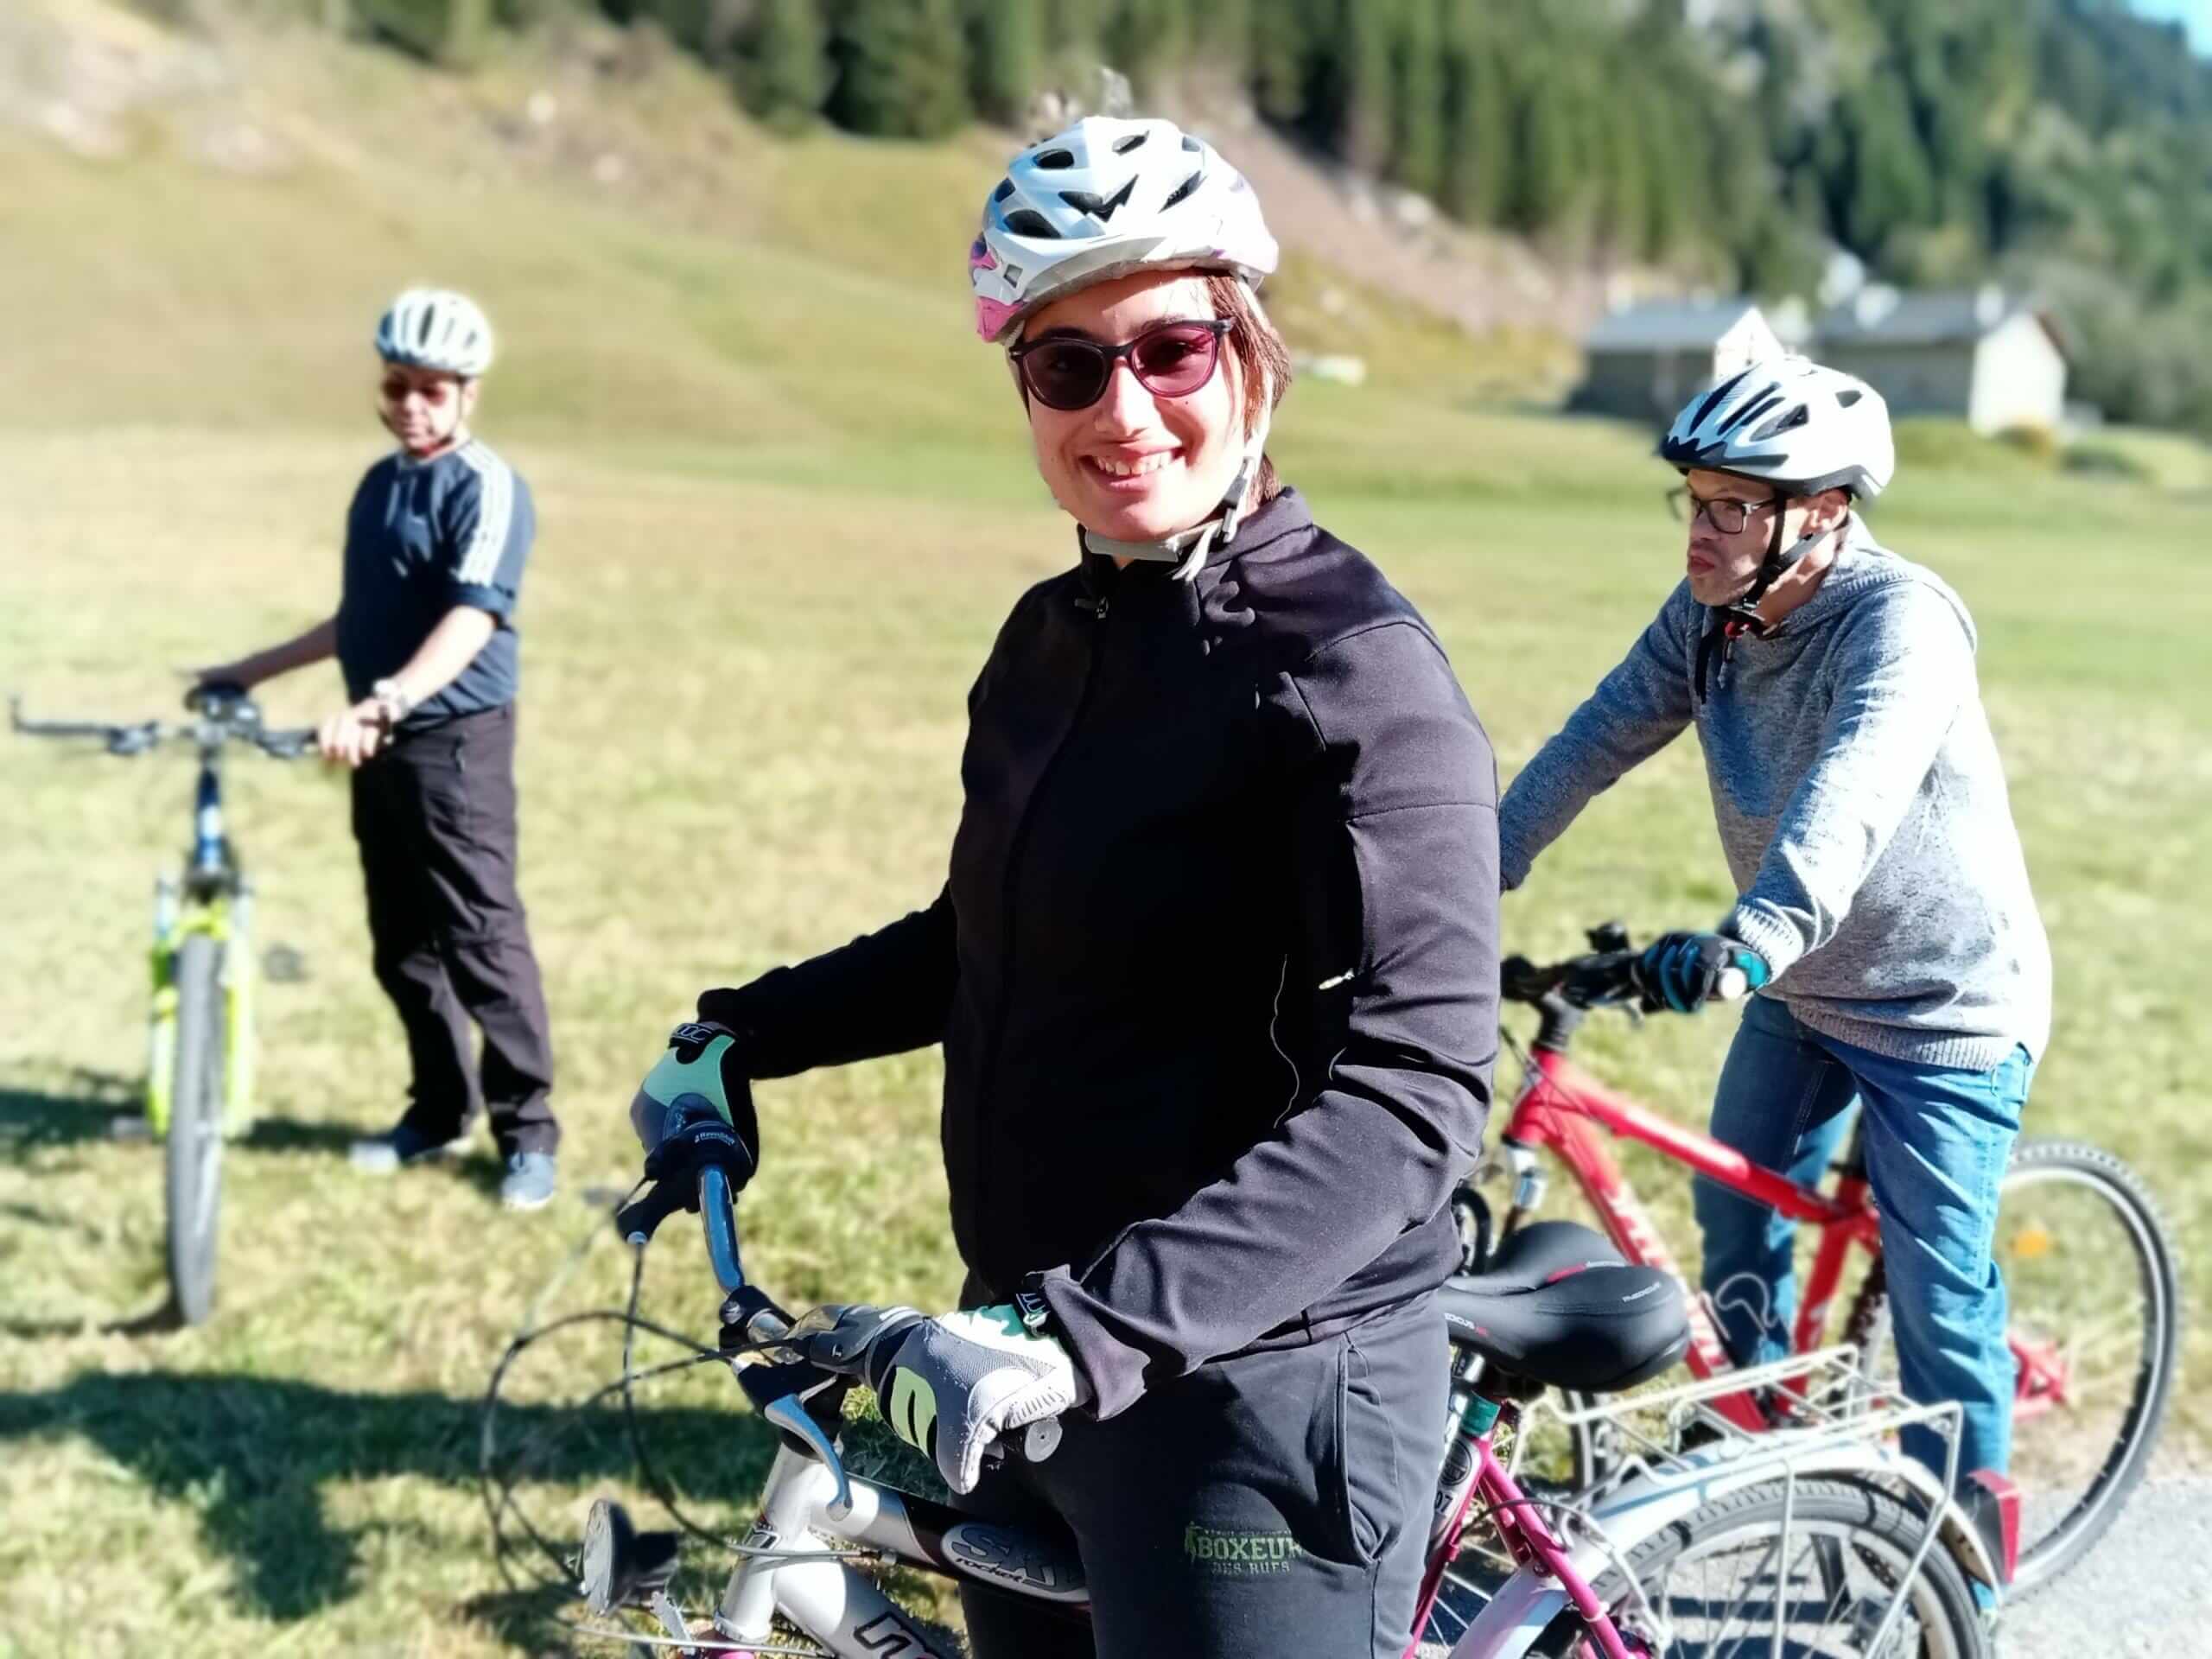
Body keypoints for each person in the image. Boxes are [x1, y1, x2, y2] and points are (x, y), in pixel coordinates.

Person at [629, 118, 1499, 1657]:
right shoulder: (1052, 638)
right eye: (1069, 366)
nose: (1126, 409)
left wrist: (1079, 1335)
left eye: (1171, 349)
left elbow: (1417, 1098)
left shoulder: (1353, 675)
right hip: (1021, 1355)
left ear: (1254, 356)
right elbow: (985, 938)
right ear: (1023, 389)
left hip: (1255, 1392)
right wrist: (741, 1033)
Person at [1497, 356, 2050, 1497]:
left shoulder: (1901, 623)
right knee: (1736, 1208)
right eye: (1693, 501)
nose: (1699, 533)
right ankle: (1749, 1443)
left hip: (1939, 1010)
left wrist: (1758, 936)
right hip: (1804, 989)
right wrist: (1472, 872)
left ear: (1825, 512)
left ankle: (1959, 1561)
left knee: (1937, 1300)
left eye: (1732, 508)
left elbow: (1857, 786)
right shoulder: (1708, 620)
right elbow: (1595, 738)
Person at [191, 287, 560, 1211]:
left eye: (433, 390)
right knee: (401, 947)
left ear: (468, 392)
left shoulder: (486, 487)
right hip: (377, 742)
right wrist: (248, 670)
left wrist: (386, 702)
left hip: (454, 742)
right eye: (398, 386)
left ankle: (528, 1136)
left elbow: (474, 619)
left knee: (480, 939)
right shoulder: (379, 485)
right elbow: (356, 620)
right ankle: (438, 1112)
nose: (412, 405)